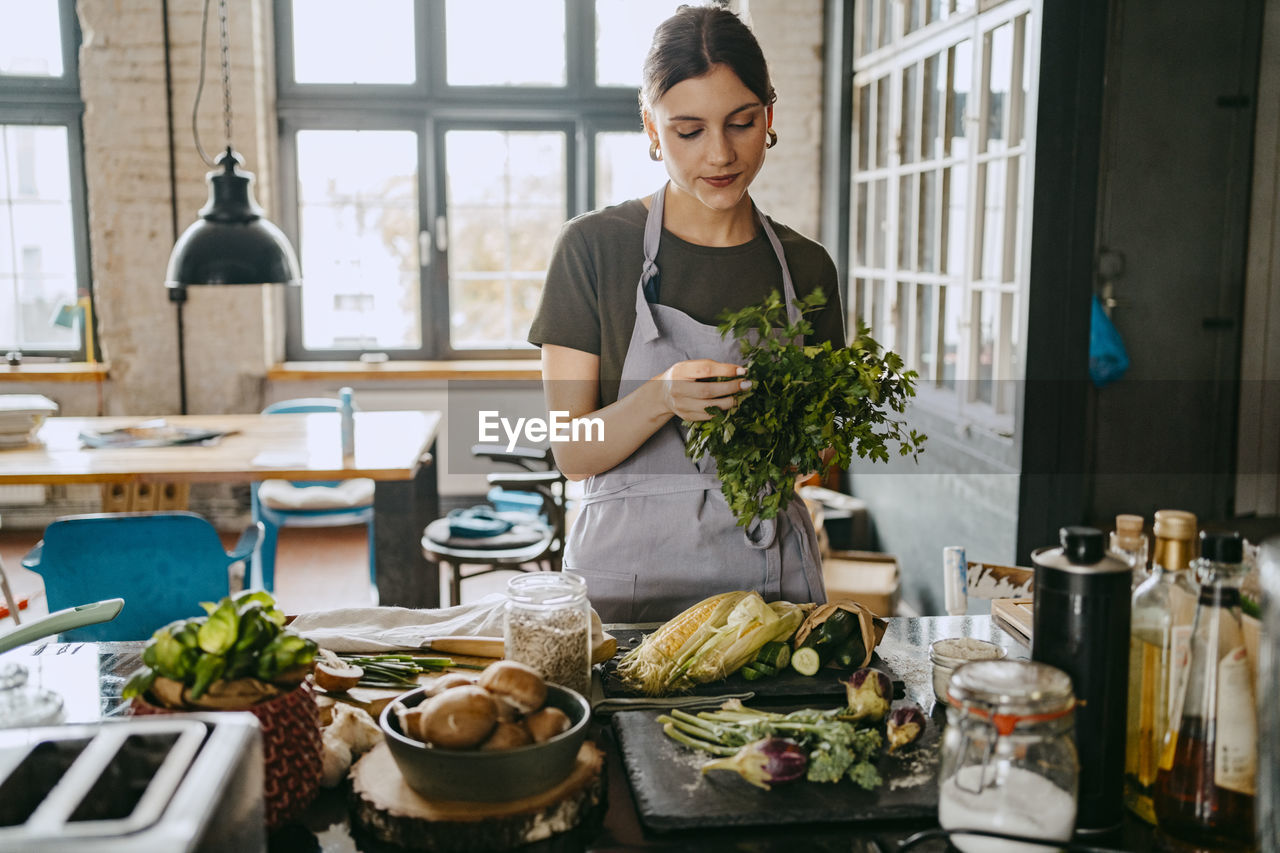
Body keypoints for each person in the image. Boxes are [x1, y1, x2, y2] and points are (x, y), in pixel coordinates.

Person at [527, 5, 844, 623]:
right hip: (626, 588)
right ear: (651, 128)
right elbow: (570, 449)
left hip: (768, 585)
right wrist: (661, 398)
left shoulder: (806, 269)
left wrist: (803, 442)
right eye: (688, 130)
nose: (720, 154)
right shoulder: (594, 249)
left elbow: (816, 457)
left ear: (769, 116)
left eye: (742, 123)